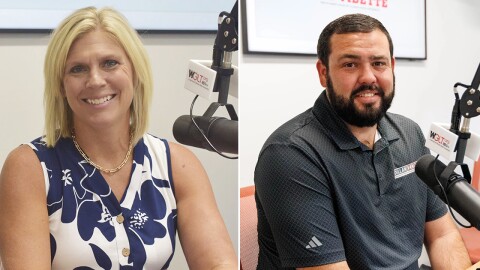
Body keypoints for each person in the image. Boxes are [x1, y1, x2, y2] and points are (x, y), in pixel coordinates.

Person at [0, 7, 237, 270]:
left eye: (109, 63)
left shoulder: (177, 165)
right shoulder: (30, 168)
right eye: (77, 69)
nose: (95, 80)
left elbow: (219, 263)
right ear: (60, 85)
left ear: (135, 73)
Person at [254, 13, 472, 270]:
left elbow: (443, 236)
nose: (368, 77)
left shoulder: (408, 133)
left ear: (392, 66)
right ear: (323, 73)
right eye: (350, 65)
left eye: (379, 63)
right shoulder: (291, 153)